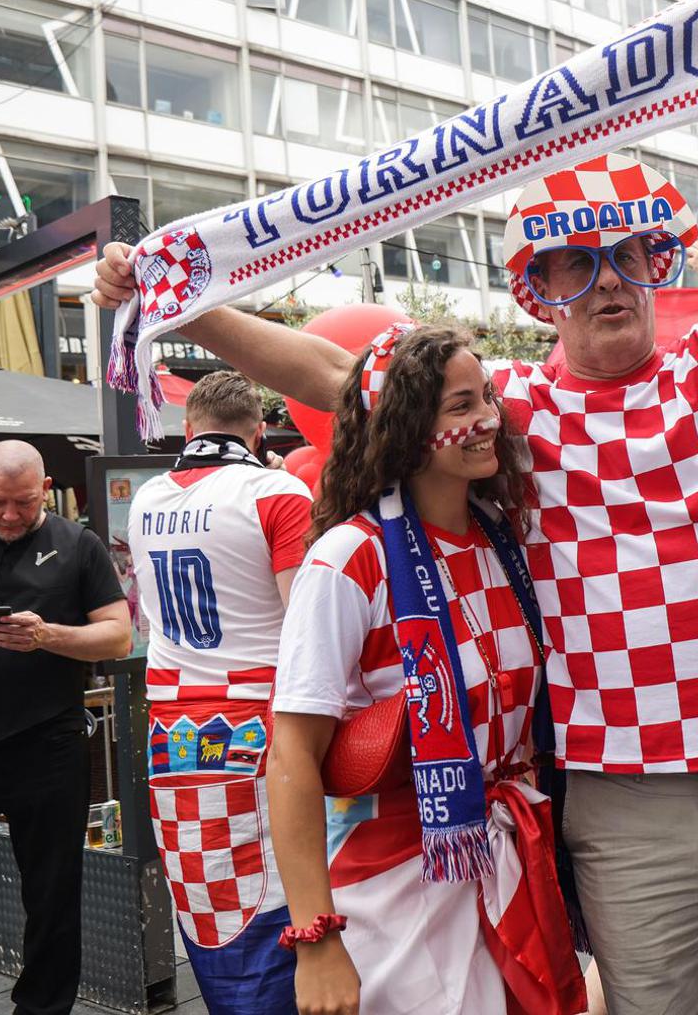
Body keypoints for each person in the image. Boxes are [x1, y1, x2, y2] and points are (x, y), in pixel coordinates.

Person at [91, 0, 698, 1013]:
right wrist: (177, 300)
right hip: (614, 791)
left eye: (631, 257)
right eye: (577, 261)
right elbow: (337, 372)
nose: (610, 281)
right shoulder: (501, 406)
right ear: (537, 287)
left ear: (658, 265)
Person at [268, 322, 584, 1014]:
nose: (489, 421)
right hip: (396, 885)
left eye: (487, 400)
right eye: (461, 406)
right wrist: (316, 939)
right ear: (408, 428)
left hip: (512, 858)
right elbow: (290, 749)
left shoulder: (507, 540)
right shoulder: (349, 560)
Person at [126, 371, 313, 1013]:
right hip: (256, 727)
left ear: (188, 428)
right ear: (258, 430)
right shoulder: (275, 491)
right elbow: (306, 623)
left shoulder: (145, 498)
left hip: (169, 732)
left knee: (205, 903)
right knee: (274, 905)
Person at [0, 441, 131, 1015]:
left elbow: (118, 636)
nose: (11, 515)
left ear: (47, 488)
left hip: (49, 741)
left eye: (26, 503)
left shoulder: (77, 545)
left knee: (54, 895)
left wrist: (49, 635)